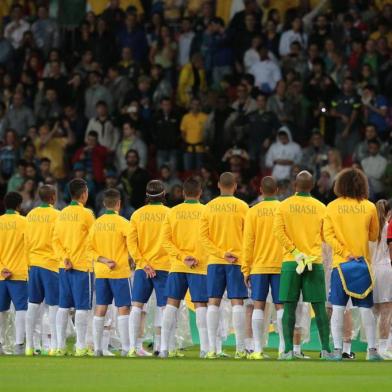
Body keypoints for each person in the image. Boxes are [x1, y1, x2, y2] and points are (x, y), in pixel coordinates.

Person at [323, 168, 381, 361]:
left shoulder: (331, 206)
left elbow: (328, 236)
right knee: (366, 308)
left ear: (340, 184)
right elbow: (373, 236)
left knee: (338, 308)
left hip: (340, 264)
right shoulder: (370, 207)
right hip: (363, 264)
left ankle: (338, 350)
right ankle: (372, 351)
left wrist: (344, 252)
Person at [273, 171, 331, 360]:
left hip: (292, 262)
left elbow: (279, 233)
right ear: (312, 186)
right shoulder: (321, 207)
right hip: (314, 262)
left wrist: (295, 252)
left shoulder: (283, 206)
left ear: (294, 185)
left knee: (289, 307)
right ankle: (325, 350)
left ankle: (288, 350)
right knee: (319, 306)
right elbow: (326, 236)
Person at [200, 172, 249, 359]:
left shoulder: (208, 207)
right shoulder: (243, 207)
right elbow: (249, 237)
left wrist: (220, 253)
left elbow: (203, 238)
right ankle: (240, 349)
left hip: (215, 261)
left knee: (213, 302)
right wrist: (239, 256)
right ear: (235, 186)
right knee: (237, 302)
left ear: (218, 185)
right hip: (237, 261)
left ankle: (213, 349)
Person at [160, 177, 208, 358]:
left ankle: (164, 348)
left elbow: (165, 240)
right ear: (200, 192)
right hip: (200, 266)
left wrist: (181, 256)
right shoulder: (206, 211)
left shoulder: (172, 213)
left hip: (178, 265)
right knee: (201, 305)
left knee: (171, 304)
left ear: (182, 193)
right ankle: (205, 349)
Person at [242, 176, 284, 359]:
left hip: (258, 266)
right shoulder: (284, 209)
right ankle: (284, 349)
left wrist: (246, 268)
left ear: (260, 190)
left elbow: (248, 242)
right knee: (281, 307)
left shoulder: (253, 211)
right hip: (280, 265)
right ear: (277, 190)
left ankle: (257, 350)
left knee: (258, 306)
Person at [127, 180, 170, 357]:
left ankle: (133, 347)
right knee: (164, 307)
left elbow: (131, 243)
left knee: (137, 306)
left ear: (147, 196)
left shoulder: (137, 215)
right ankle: (162, 347)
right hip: (164, 266)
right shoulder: (169, 213)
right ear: (164, 195)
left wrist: (143, 263)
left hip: (142, 268)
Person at [53, 179, 95, 356]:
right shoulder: (87, 214)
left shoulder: (61, 214)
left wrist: (64, 258)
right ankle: (80, 346)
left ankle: (60, 347)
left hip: (64, 266)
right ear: (84, 193)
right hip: (82, 267)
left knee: (63, 306)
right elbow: (95, 238)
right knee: (82, 307)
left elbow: (55, 240)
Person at [88, 188, 132, 356]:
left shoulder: (96, 224)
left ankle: (98, 348)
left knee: (100, 308)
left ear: (104, 204)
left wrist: (103, 259)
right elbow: (132, 245)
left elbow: (88, 249)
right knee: (123, 308)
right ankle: (126, 348)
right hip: (119, 271)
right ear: (119, 204)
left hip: (101, 272)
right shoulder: (123, 223)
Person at [24, 185, 60, 356]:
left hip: (34, 264)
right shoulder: (57, 215)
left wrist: (27, 263)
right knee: (53, 306)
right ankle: (54, 346)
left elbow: (26, 241)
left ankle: (29, 346)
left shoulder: (30, 215)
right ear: (53, 197)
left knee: (32, 304)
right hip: (51, 264)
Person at [0, 192, 27, 355]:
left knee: (1, 310)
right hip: (19, 273)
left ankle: (0, 344)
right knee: (21, 309)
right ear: (19, 206)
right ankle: (19, 345)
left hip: (1, 274)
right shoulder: (24, 222)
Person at [373, 200, 392, 359]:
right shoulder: (388, 227)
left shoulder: (369, 229)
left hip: (370, 270)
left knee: (372, 311)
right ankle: (383, 348)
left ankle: (371, 349)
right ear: (388, 213)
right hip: (385, 269)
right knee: (386, 311)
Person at [180, 97, 208, 171]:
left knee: (199, 171)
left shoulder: (205, 117)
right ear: (191, 105)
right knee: (188, 171)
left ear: (200, 106)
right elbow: (183, 132)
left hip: (200, 148)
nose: (196, 106)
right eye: (194, 104)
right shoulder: (186, 117)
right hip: (188, 148)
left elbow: (207, 132)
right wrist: (186, 142)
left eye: (197, 104)